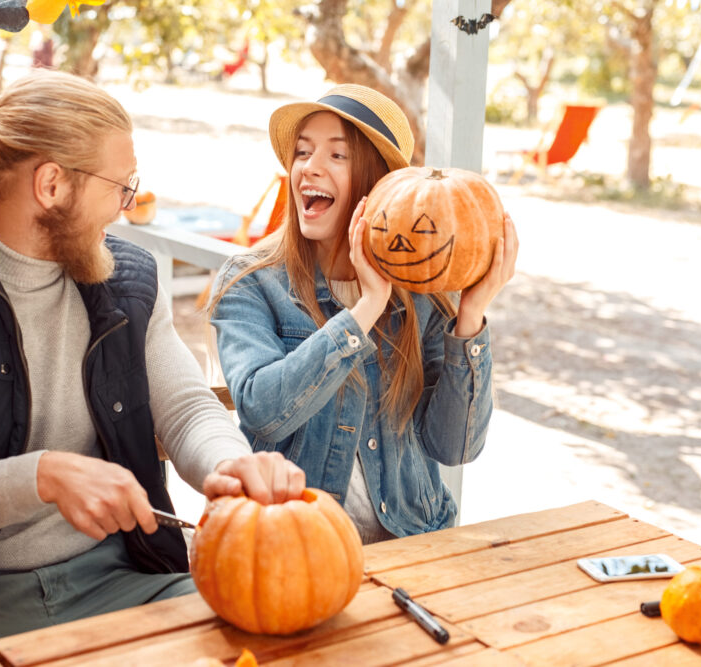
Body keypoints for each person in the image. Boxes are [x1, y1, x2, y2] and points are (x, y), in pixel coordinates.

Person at [0, 70, 305, 657]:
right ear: (52, 184)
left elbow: (183, 407)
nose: (126, 209)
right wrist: (44, 477)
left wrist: (229, 466)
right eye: (120, 187)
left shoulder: (128, 276)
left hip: (122, 578)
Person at [210, 84, 518, 544]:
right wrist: (366, 307)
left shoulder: (421, 292)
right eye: (302, 152)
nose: (308, 168)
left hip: (412, 541)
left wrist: (469, 316)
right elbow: (263, 411)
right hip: (293, 548)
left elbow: (455, 448)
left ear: (379, 187)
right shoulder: (252, 281)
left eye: (337, 156)